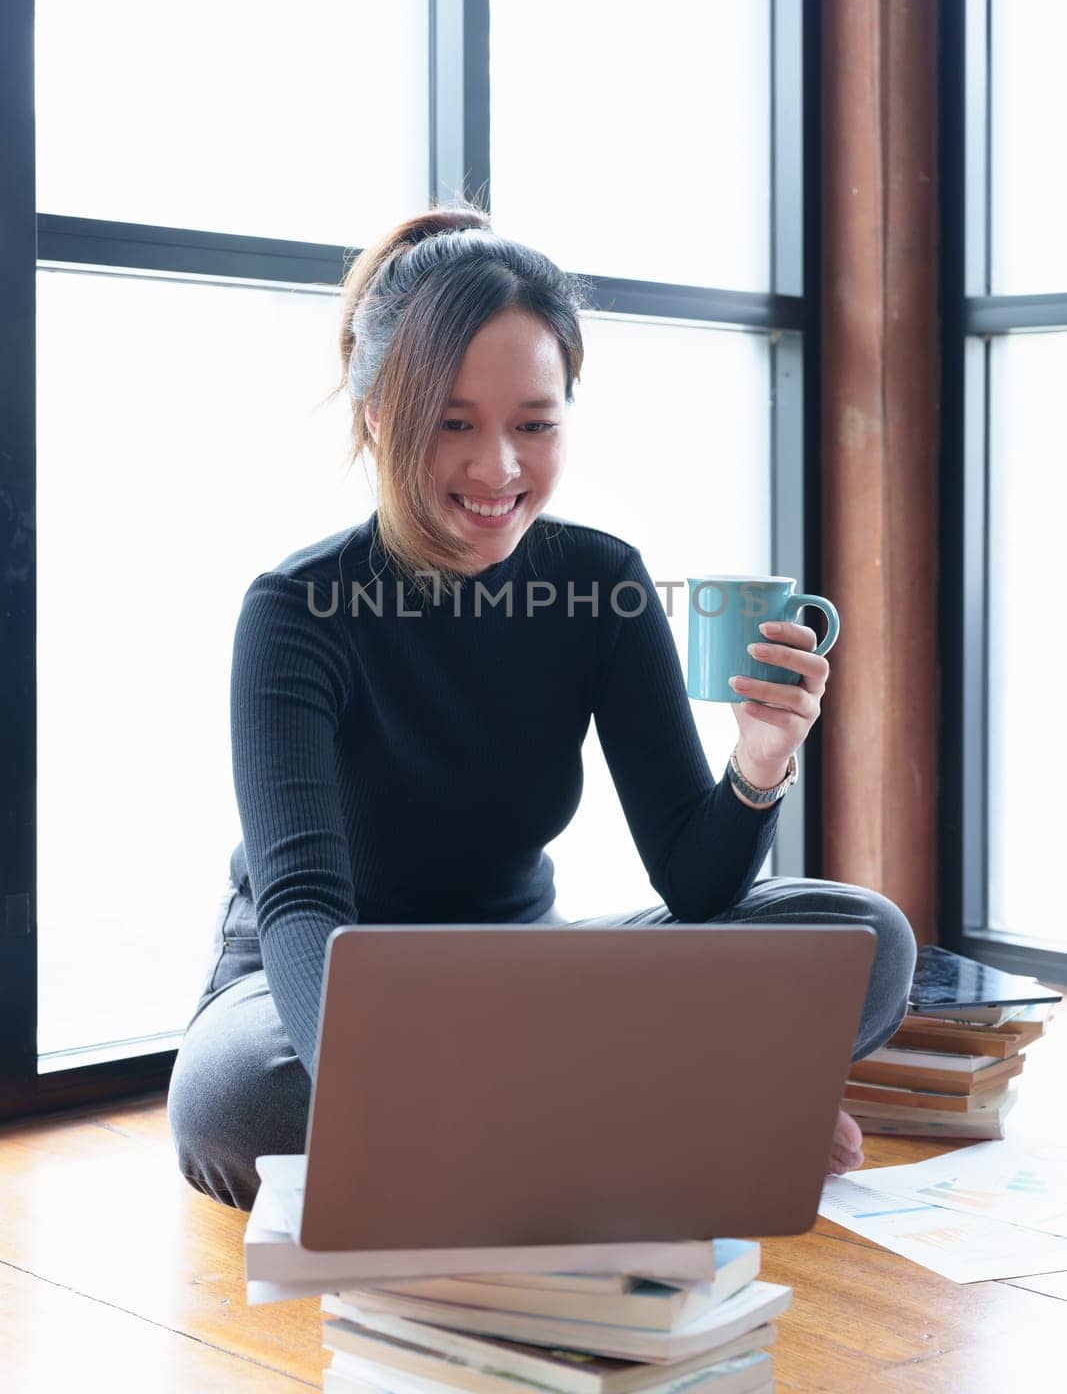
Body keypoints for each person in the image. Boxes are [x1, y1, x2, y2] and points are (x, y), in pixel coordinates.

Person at [166, 203, 917, 1213]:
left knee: (861, 937)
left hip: (522, 980)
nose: (498, 470)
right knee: (231, 1102)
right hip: (323, 986)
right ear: (379, 415)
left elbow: (695, 886)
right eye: (452, 423)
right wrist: (367, 1083)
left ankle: (539, 1119)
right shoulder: (300, 609)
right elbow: (302, 906)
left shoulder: (601, 582)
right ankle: (662, 1116)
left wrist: (759, 759)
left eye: (533, 423)